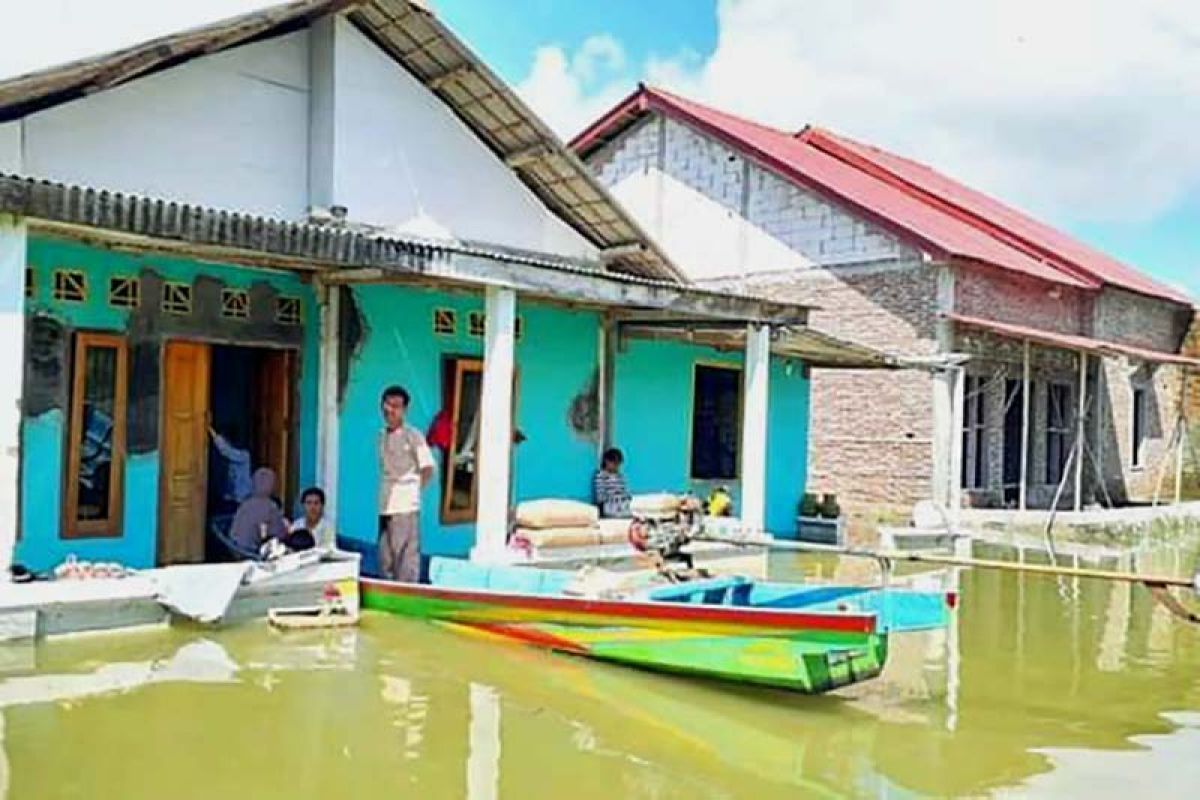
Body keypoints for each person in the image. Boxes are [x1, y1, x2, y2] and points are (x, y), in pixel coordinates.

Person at [378, 385, 435, 582]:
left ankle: (406, 592)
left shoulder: (413, 436)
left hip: (405, 504)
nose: (391, 410)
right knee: (386, 556)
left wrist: (413, 490)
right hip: (386, 504)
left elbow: (428, 468)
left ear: (404, 410)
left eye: (396, 406)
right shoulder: (381, 435)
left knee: (405, 559)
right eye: (388, 404)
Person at [230, 467, 289, 553]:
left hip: (235, 550)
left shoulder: (245, 504)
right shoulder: (270, 507)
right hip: (253, 553)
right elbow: (280, 535)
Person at [291, 486, 336, 551]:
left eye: (316, 503)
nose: (312, 507)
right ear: (303, 506)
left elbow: (328, 551)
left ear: (322, 506)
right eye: (309, 503)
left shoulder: (327, 527)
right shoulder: (296, 525)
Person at [593, 447, 632, 519]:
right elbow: (600, 496)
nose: (616, 466)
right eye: (614, 463)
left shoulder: (620, 476)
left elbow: (625, 492)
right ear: (606, 461)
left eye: (618, 464)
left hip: (623, 504)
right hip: (610, 505)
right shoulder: (601, 475)